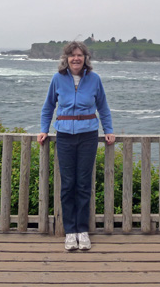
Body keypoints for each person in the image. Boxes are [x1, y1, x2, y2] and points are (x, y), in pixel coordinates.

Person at [37, 41, 115, 251]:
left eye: (80, 55)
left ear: (85, 58)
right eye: (72, 55)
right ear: (66, 59)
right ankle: (70, 232)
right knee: (67, 184)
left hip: (88, 135)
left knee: (83, 184)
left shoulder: (95, 79)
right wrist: (44, 129)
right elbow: (48, 106)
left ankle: (83, 231)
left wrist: (108, 130)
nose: (76, 59)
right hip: (64, 136)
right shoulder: (57, 79)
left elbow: (103, 107)